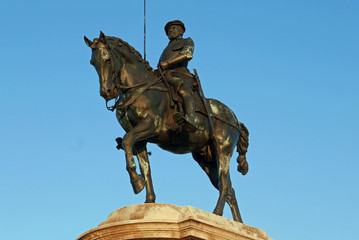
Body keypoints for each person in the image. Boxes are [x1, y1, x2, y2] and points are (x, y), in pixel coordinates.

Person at [158, 20, 197, 132]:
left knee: (184, 91)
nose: (171, 30)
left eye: (174, 28)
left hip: (181, 73)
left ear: (181, 31)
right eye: (169, 30)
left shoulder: (187, 41)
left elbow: (187, 54)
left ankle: (190, 119)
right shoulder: (166, 49)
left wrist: (168, 63)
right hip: (165, 76)